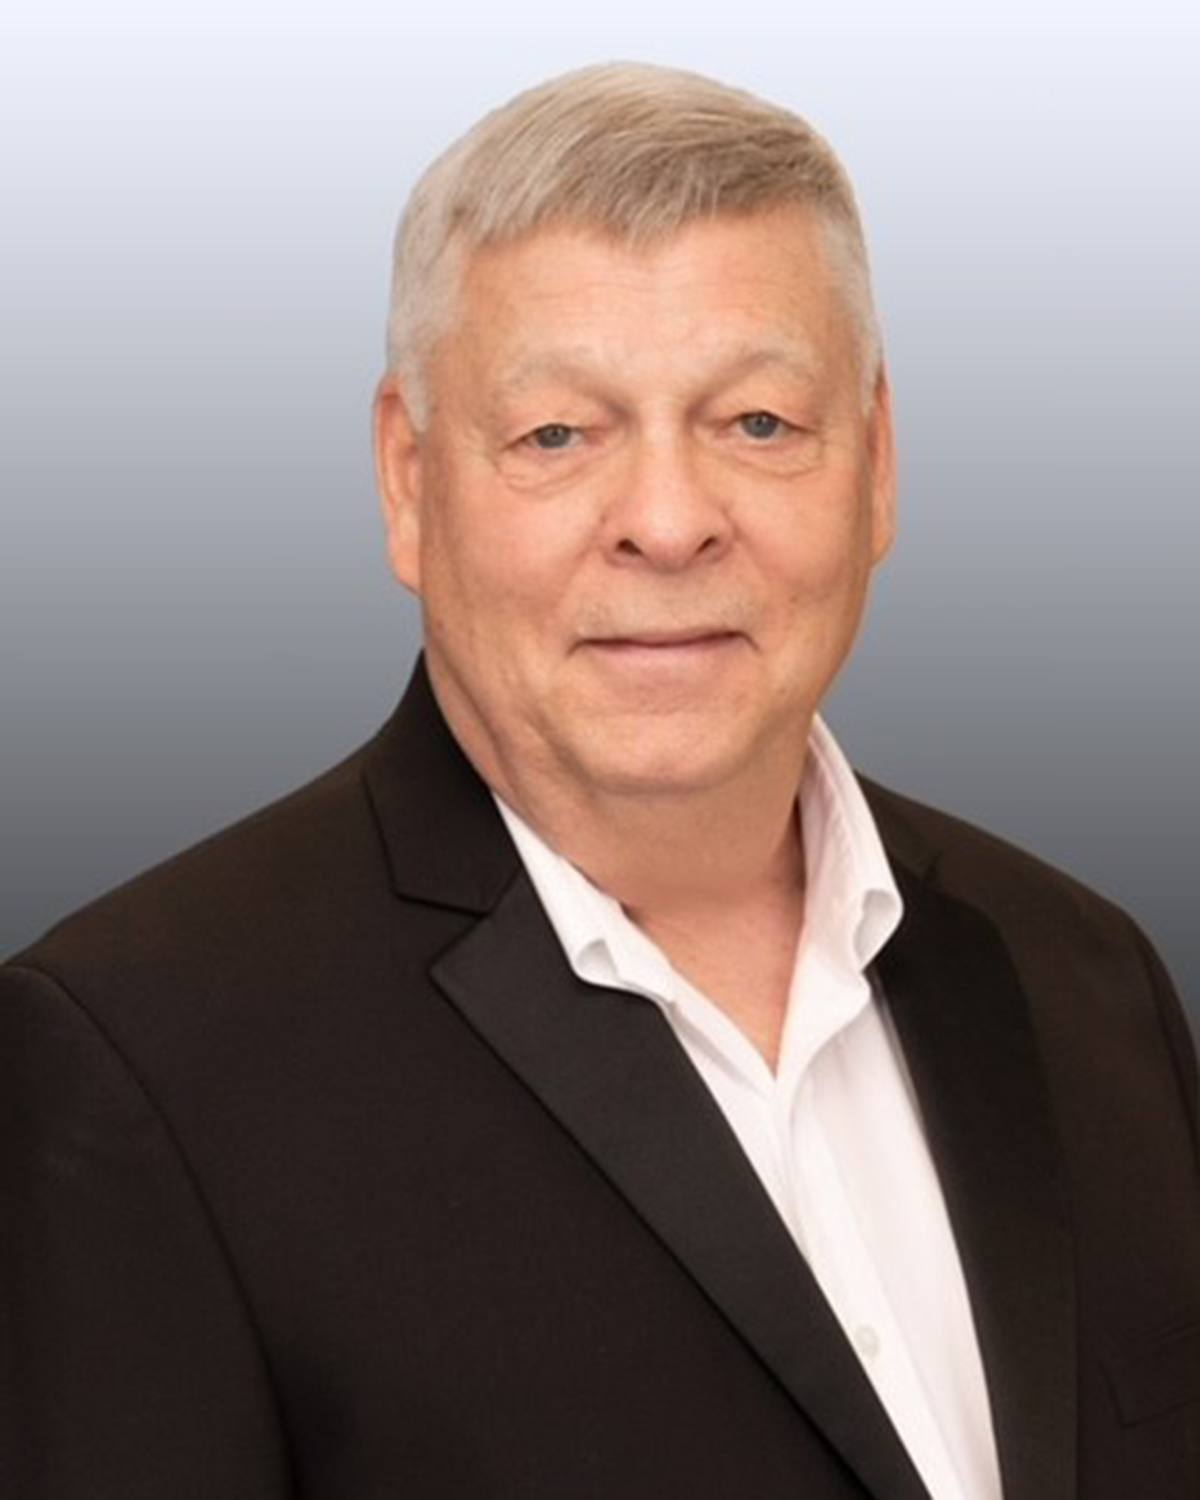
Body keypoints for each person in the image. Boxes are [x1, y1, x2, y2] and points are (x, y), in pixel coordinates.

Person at [2, 62, 1196, 1500]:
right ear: (407, 479)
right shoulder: (140, 1059)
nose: (671, 522)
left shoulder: (1086, 976)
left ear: (878, 463)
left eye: (758, 423)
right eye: (558, 435)